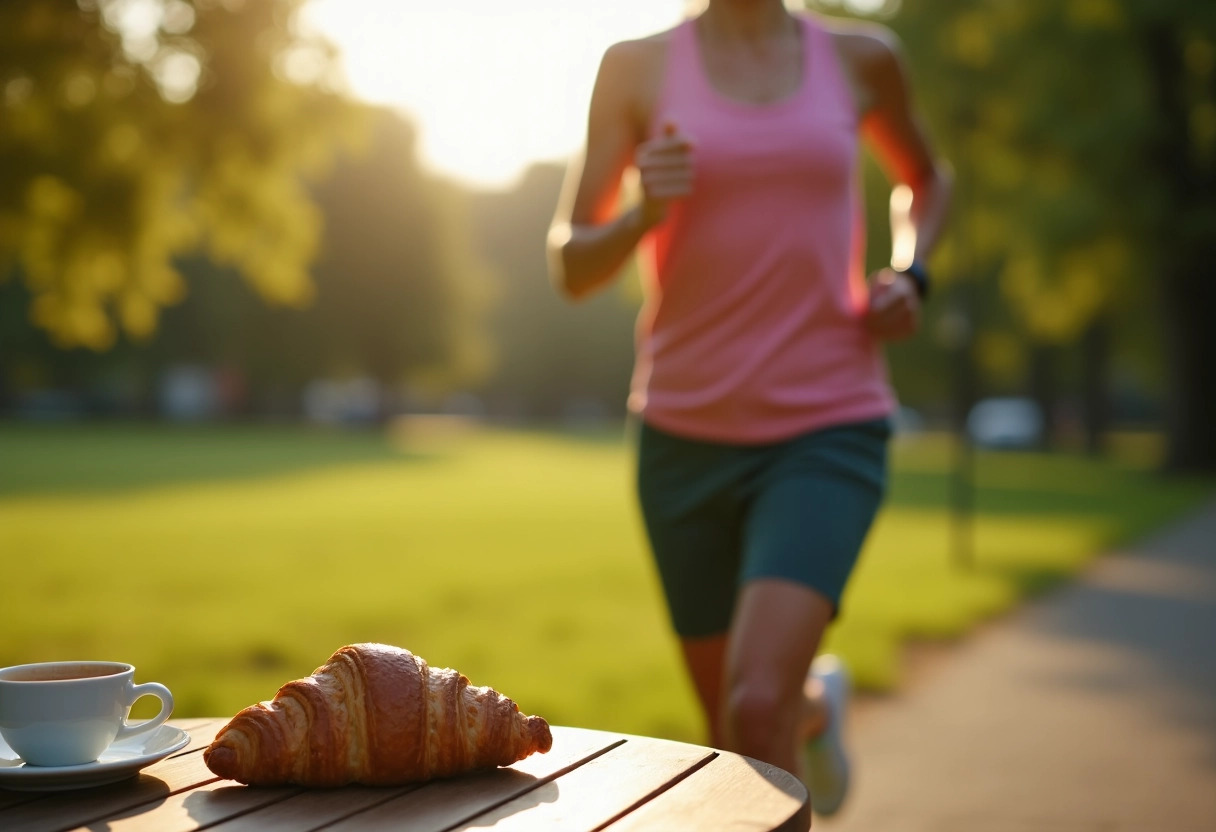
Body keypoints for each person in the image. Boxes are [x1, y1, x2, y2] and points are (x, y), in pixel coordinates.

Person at [546, 0, 951, 817]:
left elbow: (927, 180)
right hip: (682, 433)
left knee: (754, 705)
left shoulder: (862, 57)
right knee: (734, 733)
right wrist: (643, 215)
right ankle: (813, 707)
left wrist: (909, 274)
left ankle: (793, 706)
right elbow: (571, 264)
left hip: (828, 421)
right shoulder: (636, 65)